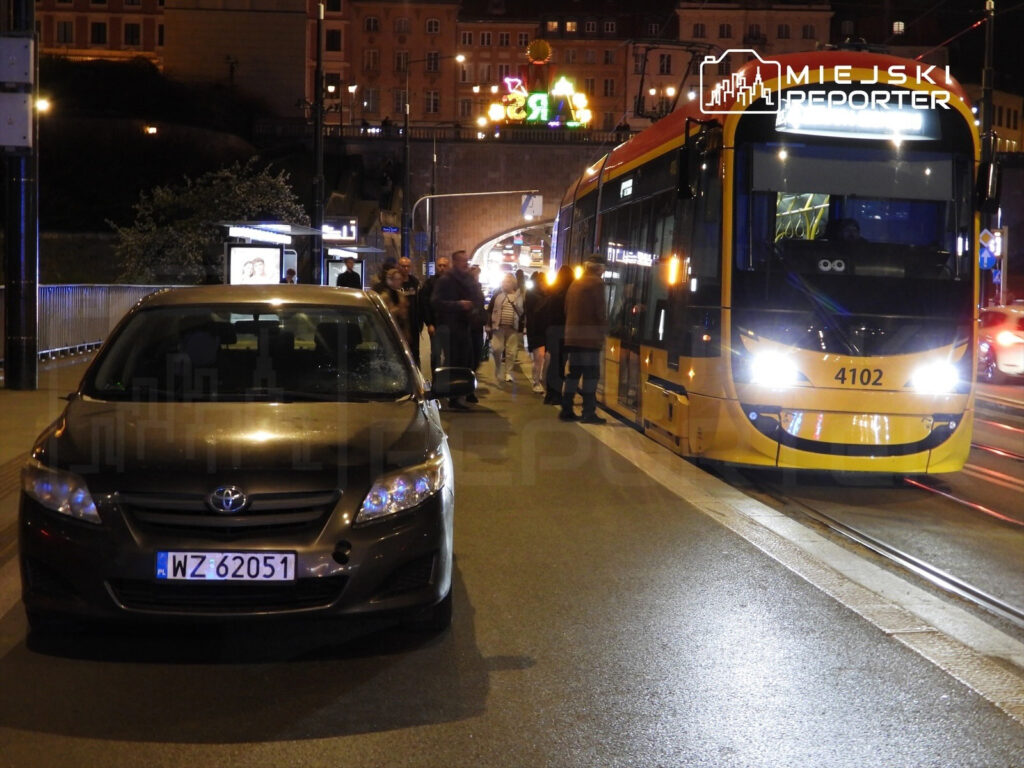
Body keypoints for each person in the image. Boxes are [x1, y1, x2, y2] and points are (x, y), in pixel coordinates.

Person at [561, 255, 608, 424]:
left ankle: (566, 409)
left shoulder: (576, 283)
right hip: (589, 339)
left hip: (573, 337)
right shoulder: (597, 284)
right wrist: (603, 331)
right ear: (599, 268)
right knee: (590, 376)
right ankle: (588, 412)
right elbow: (600, 312)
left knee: (574, 374)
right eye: (603, 268)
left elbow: (566, 309)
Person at [431, 249, 481, 408]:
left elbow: (477, 298)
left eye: (467, 261)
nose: (466, 264)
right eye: (464, 261)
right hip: (450, 327)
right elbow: (435, 302)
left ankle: (464, 391)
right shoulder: (446, 280)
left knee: (468, 360)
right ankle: (453, 396)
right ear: (456, 262)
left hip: (465, 326)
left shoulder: (468, 279)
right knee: (454, 361)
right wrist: (459, 305)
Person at [543, 264, 574, 405]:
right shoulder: (569, 293)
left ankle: (550, 393)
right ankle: (556, 394)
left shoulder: (552, 291)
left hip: (551, 331)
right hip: (563, 331)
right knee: (560, 364)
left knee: (553, 363)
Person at [486, 273, 524, 383]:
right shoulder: (497, 295)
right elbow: (490, 310)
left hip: (513, 328)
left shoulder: (518, 296)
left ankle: (508, 373)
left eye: (507, 282)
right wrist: (488, 324)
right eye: (503, 282)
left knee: (511, 352)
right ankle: (498, 367)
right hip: (498, 327)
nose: (504, 284)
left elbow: (522, 312)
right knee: (496, 349)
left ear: (513, 284)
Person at [420, 255, 450, 372]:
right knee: (436, 354)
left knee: (449, 354)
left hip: (450, 325)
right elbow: (425, 304)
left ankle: (447, 379)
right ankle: (436, 379)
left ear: (449, 267)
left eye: (444, 265)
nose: (442, 268)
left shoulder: (453, 282)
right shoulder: (430, 283)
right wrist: (429, 323)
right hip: (436, 325)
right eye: (440, 265)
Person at [524, 270, 548, 393]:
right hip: (536, 330)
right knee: (538, 357)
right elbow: (531, 313)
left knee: (546, 358)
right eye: (544, 282)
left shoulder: (548, 294)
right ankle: (536, 382)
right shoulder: (532, 295)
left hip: (546, 330)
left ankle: (542, 380)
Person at [398, 256, 423, 368]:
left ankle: (416, 372)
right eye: (403, 266)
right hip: (400, 323)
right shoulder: (396, 282)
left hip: (413, 323)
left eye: (408, 266)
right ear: (399, 267)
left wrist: (420, 321)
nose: (406, 268)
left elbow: (420, 302)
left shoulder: (414, 282)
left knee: (415, 350)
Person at [376, 267, 412, 346]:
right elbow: (383, 316)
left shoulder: (401, 295)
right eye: (397, 279)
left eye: (400, 279)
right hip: (389, 333)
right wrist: (397, 310)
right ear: (390, 280)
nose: (400, 281)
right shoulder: (384, 297)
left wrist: (407, 332)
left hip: (401, 332)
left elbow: (405, 318)